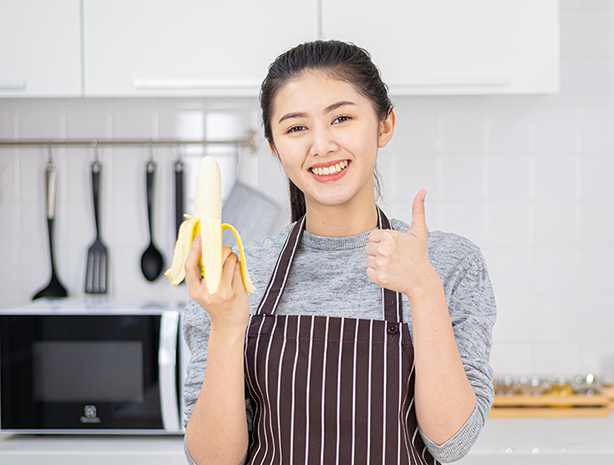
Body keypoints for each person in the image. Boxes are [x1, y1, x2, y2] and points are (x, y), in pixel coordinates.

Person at [182, 40, 496, 465]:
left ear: (384, 126)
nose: (322, 145)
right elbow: (212, 461)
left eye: (342, 118)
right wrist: (227, 325)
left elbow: (451, 442)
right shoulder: (236, 276)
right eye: (296, 128)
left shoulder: (448, 261)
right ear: (275, 148)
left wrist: (424, 290)